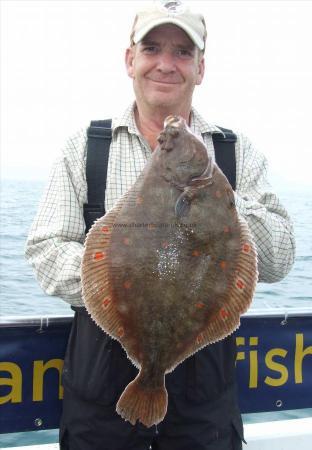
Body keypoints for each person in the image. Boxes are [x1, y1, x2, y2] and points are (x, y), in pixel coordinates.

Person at [25, 1, 296, 449]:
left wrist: (221, 197)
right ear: (130, 59)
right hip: (99, 397)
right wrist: (117, 278)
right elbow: (44, 248)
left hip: (204, 401)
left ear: (200, 68)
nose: (166, 64)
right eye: (152, 48)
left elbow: (281, 258)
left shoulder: (235, 153)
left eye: (183, 52)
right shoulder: (84, 148)